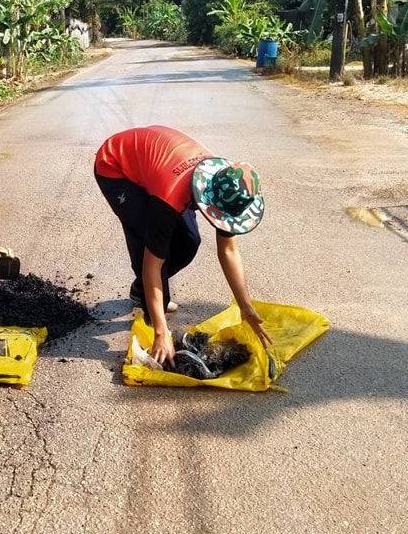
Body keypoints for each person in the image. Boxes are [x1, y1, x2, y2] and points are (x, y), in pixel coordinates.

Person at [94, 124, 273, 368]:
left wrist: (246, 307)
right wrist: (160, 332)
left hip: (156, 166)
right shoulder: (172, 196)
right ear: (207, 196)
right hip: (116, 167)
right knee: (152, 244)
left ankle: (141, 291)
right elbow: (152, 265)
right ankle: (154, 317)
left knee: (189, 241)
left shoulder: (229, 189)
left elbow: (229, 250)